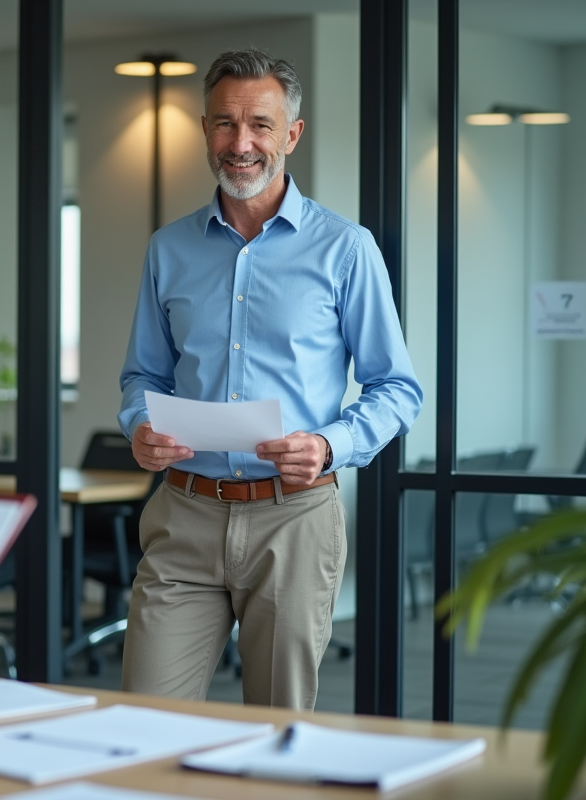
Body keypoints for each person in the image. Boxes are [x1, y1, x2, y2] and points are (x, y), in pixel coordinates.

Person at [118, 49, 422, 709]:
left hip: (294, 520)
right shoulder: (168, 248)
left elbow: (397, 388)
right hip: (184, 514)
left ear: (292, 134)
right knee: (143, 718)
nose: (241, 143)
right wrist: (139, 425)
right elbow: (143, 374)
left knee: (275, 730)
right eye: (225, 124)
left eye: (260, 124)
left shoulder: (346, 249)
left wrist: (331, 445)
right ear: (205, 130)